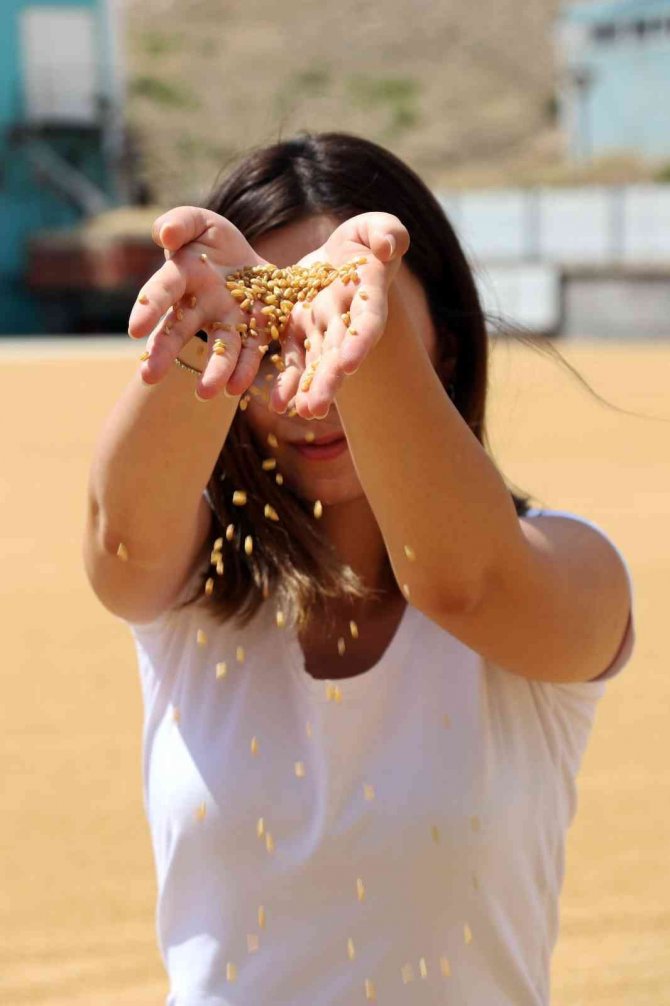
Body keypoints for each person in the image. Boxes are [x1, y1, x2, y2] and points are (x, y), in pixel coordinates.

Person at [83, 132, 634, 1006]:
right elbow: (121, 546)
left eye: (344, 321)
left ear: (441, 344)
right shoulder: (196, 584)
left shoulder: (572, 568)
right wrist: (209, 328)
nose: (308, 383)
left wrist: (367, 340)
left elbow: (462, 585)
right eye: (274, 334)